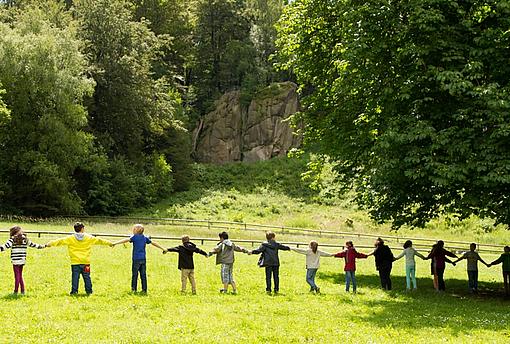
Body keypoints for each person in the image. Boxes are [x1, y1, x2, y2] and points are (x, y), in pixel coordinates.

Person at [46, 222, 113, 295]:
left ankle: (74, 292)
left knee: (75, 278)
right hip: (86, 262)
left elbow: (60, 241)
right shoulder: (89, 237)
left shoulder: (70, 238)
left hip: (75, 262)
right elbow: (99, 240)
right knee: (87, 277)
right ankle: (89, 291)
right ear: (82, 229)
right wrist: (109, 243)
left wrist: (50, 243)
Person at [112, 224, 166, 293]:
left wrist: (115, 243)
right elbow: (154, 243)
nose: (132, 230)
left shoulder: (134, 237)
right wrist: (162, 248)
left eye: (133, 229)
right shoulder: (145, 238)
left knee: (135, 274)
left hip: (136, 259)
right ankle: (144, 290)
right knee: (143, 275)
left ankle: (133, 289)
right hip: (143, 259)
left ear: (136, 231)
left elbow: (126, 240)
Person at [0, 226, 45, 295]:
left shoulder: (12, 240)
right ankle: (23, 291)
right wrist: (43, 246)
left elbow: (4, 247)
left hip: (15, 261)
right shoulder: (25, 239)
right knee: (20, 275)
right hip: (22, 260)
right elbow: (34, 245)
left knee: (17, 276)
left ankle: (15, 291)